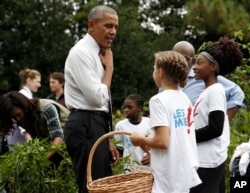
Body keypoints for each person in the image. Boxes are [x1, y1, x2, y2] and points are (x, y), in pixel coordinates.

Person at [172, 41, 245, 193]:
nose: (195, 67)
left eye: (199, 63)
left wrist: (186, 137)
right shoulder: (208, 91)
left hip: (208, 161)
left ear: (213, 67)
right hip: (202, 159)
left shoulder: (215, 91)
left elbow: (215, 128)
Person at [63, 5, 119, 193]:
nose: (113, 32)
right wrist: (110, 69)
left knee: (101, 185)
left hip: (95, 123)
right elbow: (97, 98)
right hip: (85, 123)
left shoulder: (100, 52)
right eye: (108, 26)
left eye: (115, 27)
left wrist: (107, 139)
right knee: (93, 187)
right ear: (91, 25)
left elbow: (102, 105)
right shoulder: (81, 53)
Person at [130, 51, 201, 193]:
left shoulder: (158, 100)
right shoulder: (184, 98)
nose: (153, 72)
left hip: (169, 174)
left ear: (160, 72)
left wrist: (141, 140)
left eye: (154, 68)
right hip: (184, 170)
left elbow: (162, 142)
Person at [172, 41, 245, 122]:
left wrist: (224, 121)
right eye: (174, 58)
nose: (178, 62)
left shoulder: (210, 82)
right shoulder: (166, 80)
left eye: (184, 58)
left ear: (192, 61)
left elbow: (237, 93)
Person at [0, 91, 69, 166]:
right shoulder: (24, 118)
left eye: (18, 114)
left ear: (24, 106)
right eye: (14, 118)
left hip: (72, 145)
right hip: (56, 151)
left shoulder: (47, 108)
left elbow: (58, 138)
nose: (18, 119)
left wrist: (41, 161)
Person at [114, 94, 150, 169]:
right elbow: (119, 150)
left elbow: (155, 145)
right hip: (128, 169)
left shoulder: (149, 123)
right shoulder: (120, 126)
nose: (126, 110)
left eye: (130, 107)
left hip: (147, 167)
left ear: (139, 108)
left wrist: (150, 156)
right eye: (125, 107)